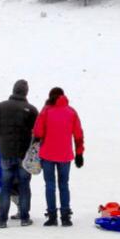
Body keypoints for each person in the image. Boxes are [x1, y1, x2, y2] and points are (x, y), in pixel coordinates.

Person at [0, 80, 38, 227]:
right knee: (24, 186)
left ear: (13, 90)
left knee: (5, 186)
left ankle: (2, 220)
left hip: (6, 152)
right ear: (26, 92)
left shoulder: (2, 106)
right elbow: (38, 132)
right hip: (24, 155)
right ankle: (24, 218)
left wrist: (3, 137)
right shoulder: (32, 110)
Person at [33, 87, 84, 225]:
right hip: (65, 155)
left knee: (50, 185)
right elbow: (78, 135)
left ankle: (52, 216)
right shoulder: (71, 112)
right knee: (64, 184)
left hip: (47, 154)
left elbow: (38, 132)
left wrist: (36, 141)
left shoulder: (46, 111)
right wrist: (79, 153)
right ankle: (66, 216)